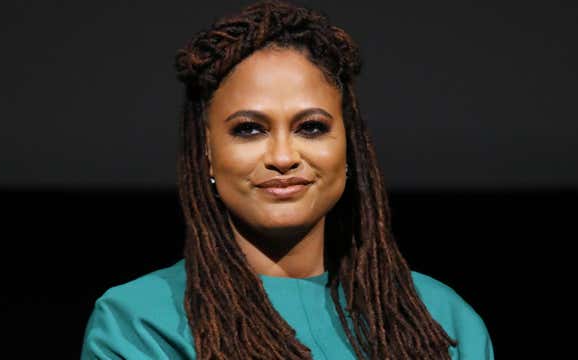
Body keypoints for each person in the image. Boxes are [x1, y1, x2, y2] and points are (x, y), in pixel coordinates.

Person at [80, 1, 494, 359]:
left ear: (350, 147)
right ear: (205, 154)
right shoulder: (139, 323)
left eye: (311, 128)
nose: (282, 157)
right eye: (249, 129)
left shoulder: (440, 319)